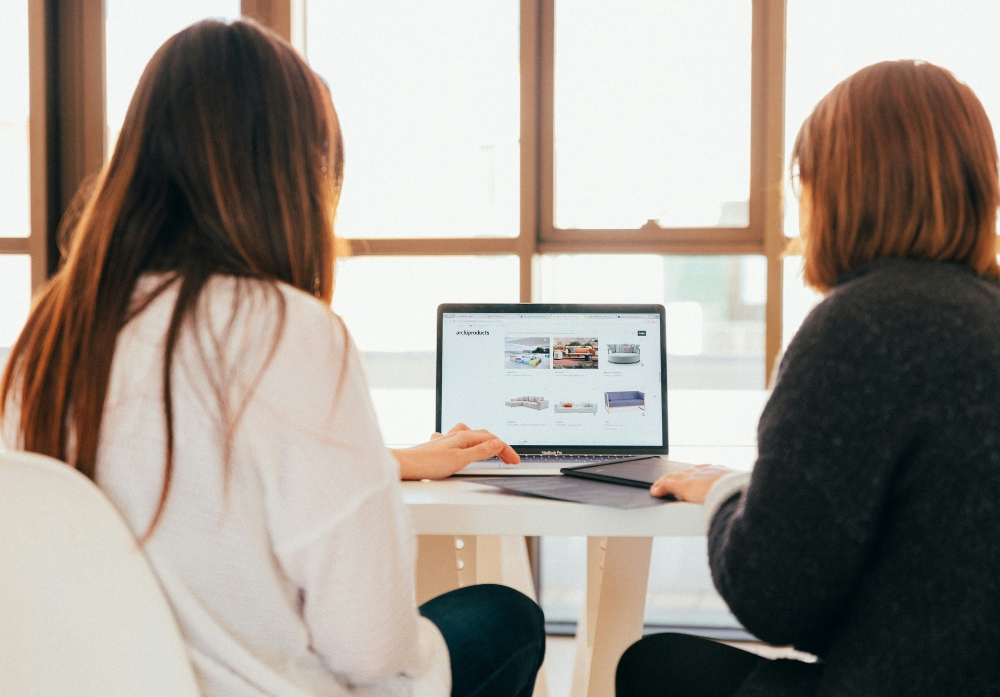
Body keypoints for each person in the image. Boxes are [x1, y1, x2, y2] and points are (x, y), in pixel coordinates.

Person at [0, 19, 543, 697]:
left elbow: (186, 474)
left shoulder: (49, 336)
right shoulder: (290, 330)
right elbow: (371, 647)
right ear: (290, 175)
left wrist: (388, 460)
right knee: (507, 616)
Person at [617, 60, 1000, 696]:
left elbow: (776, 601)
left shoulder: (861, 325)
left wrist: (726, 495)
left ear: (836, 188)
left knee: (654, 668)